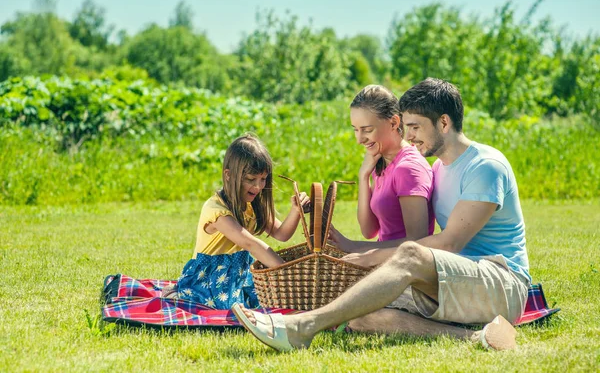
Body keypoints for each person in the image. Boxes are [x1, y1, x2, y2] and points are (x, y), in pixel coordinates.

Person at [231, 78, 530, 351]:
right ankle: (478, 337)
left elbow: (449, 243)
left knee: (410, 253)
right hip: (454, 278)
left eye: (415, 127)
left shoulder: (485, 167)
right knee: (359, 314)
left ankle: (301, 327)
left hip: (501, 282)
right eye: (407, 127)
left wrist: (372, 256)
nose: (409, 136)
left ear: (443, 122)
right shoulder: (439, 168)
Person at [172, 133, 309, 309]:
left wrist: (296, 210)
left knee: (272, 300)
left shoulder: (252, 205)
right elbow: (250, 243)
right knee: (237, 309)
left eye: (263, 179)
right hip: (209, 278)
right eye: (251, 179)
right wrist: (286, 274)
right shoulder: (216, 211)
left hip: (239, 274)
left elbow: (281, 234)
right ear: (228, 175)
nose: (259, 186)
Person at [328, 84, 435, 259]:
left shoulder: (408, 168)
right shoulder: (382, 161)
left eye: (367, 130)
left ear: (394, 122)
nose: (359, 139)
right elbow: (368, 230)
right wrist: (363, 177)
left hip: (403, 268)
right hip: (384, 262)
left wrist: (354, 246)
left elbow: (417, 242)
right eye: (356, 130)